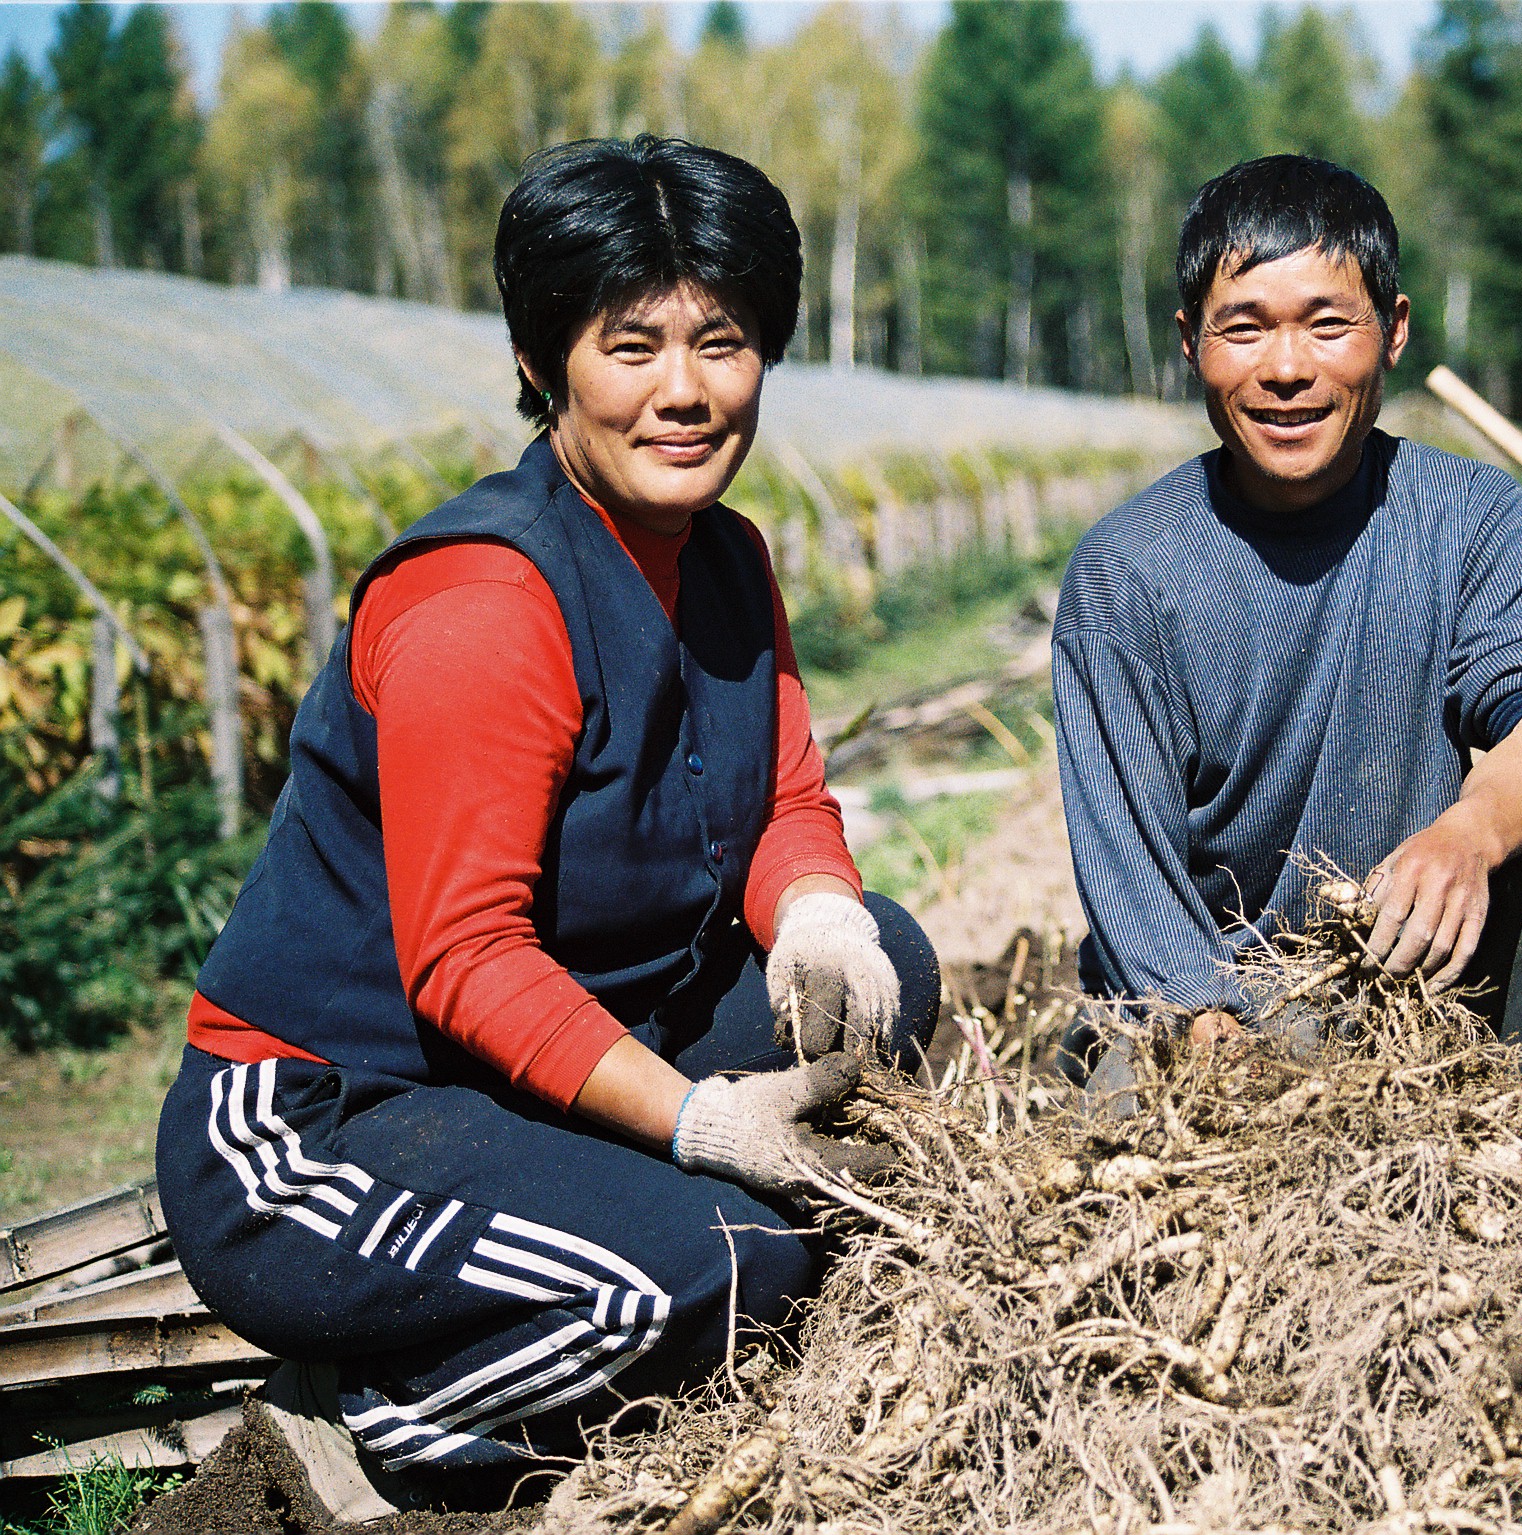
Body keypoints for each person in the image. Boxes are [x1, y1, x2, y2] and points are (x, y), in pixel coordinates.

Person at [155, 136, 939, 1520]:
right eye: (630, 346)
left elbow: (781, 802)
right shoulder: (487, 602)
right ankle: (371, 1420)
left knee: (889, 967)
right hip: (329, 1119)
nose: (685, 390)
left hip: (529, 1060)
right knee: (724, 1264)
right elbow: (462, 959)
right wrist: (697, 1118)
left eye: (725, 340)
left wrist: (818, 904)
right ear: (544, 363)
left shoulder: (728, 557)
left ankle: (594, 1220)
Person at [1052, 155, 1522, 1092]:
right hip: (1209, 996)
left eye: (1328, 325)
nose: (1286, 369)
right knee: (1135, 1102)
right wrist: (1212, 1032)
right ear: (1190, 342)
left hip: (1420, 973)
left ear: (1392, 332)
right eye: (1242, 329)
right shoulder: (1125, 575)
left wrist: (1468, 836)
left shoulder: (1470, 516)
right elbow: (1130, 873)